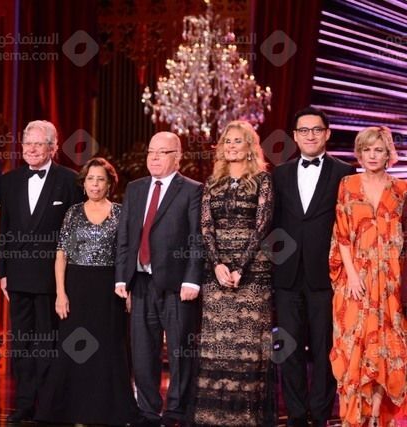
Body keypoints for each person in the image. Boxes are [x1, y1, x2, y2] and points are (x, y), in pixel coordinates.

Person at [35, 157, 139, 425]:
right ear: (84, 183)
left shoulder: (121, 212)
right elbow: (61, 254)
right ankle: (71, 409)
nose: (95, 184)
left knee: (107, 348)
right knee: (75, 347)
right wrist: (60, 293)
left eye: (100, 179)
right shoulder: (73, 212)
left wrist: (127, 288)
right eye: (91, 179)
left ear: (109, 184)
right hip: (77, 287)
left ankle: (107, 411)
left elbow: (128, 254)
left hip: (109, 289)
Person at [272, 106, 356, 427]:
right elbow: (273, 224)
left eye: (316, 130)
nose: (310, 135)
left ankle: (320, 415)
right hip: (287, 277)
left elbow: (349, 226)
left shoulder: (345, 172)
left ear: (327, 133)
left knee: (324, 350)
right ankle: (295, 415)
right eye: (304, 130)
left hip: (328, 276)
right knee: (289, 350)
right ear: (295, 136)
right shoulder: (280, 173)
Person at [115, 131, 204, 426]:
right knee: (143, 350)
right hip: (141, 282)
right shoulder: (135, 188)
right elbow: (126, 235)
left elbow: (197, 238)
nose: (153, 157)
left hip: (178, 285)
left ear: (177, 157)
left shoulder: (192, 190)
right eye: (151, 152)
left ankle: (177, 410)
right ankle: (148, 410)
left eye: (161, 152)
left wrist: (192, 280)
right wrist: (122, 277)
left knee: (180, 350)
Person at [0, 120, 82, 422]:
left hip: (51, 278)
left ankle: (47, 405)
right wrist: (3, 272)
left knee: (47, 343)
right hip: (18, 275)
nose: (31, 149)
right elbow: (5, 229)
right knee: (21, 343)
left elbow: (75, 232)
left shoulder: (70, 180)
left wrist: (68, 280)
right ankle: (24, 403)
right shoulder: (9, 181)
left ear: (53, 147)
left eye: (38, 143)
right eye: (27, 143)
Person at [192, 121, 274, 426]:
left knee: (247, 346)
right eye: (227, 141)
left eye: (238, 141)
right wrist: (217, 263)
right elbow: (206, 226)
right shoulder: (212, 182)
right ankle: (216, 417)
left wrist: (241, 266)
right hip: (217, 273)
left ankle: (245, 417)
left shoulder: (263, 180)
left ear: (250, 146)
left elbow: (262, 225)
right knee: (218, 345)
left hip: (253, 273)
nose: (231, 146)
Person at [329, 126, 407, 426]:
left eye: (378, 150)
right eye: (367, 150)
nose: (372, 156)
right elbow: (342, 234)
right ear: (359, 154)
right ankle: (354, 416)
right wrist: (352, 275)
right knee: (353, 343)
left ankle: (375, 415)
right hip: (355, 277)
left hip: (389, 279)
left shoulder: (401, 189)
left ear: (388, 155)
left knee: (386, 345)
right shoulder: (348, 184)